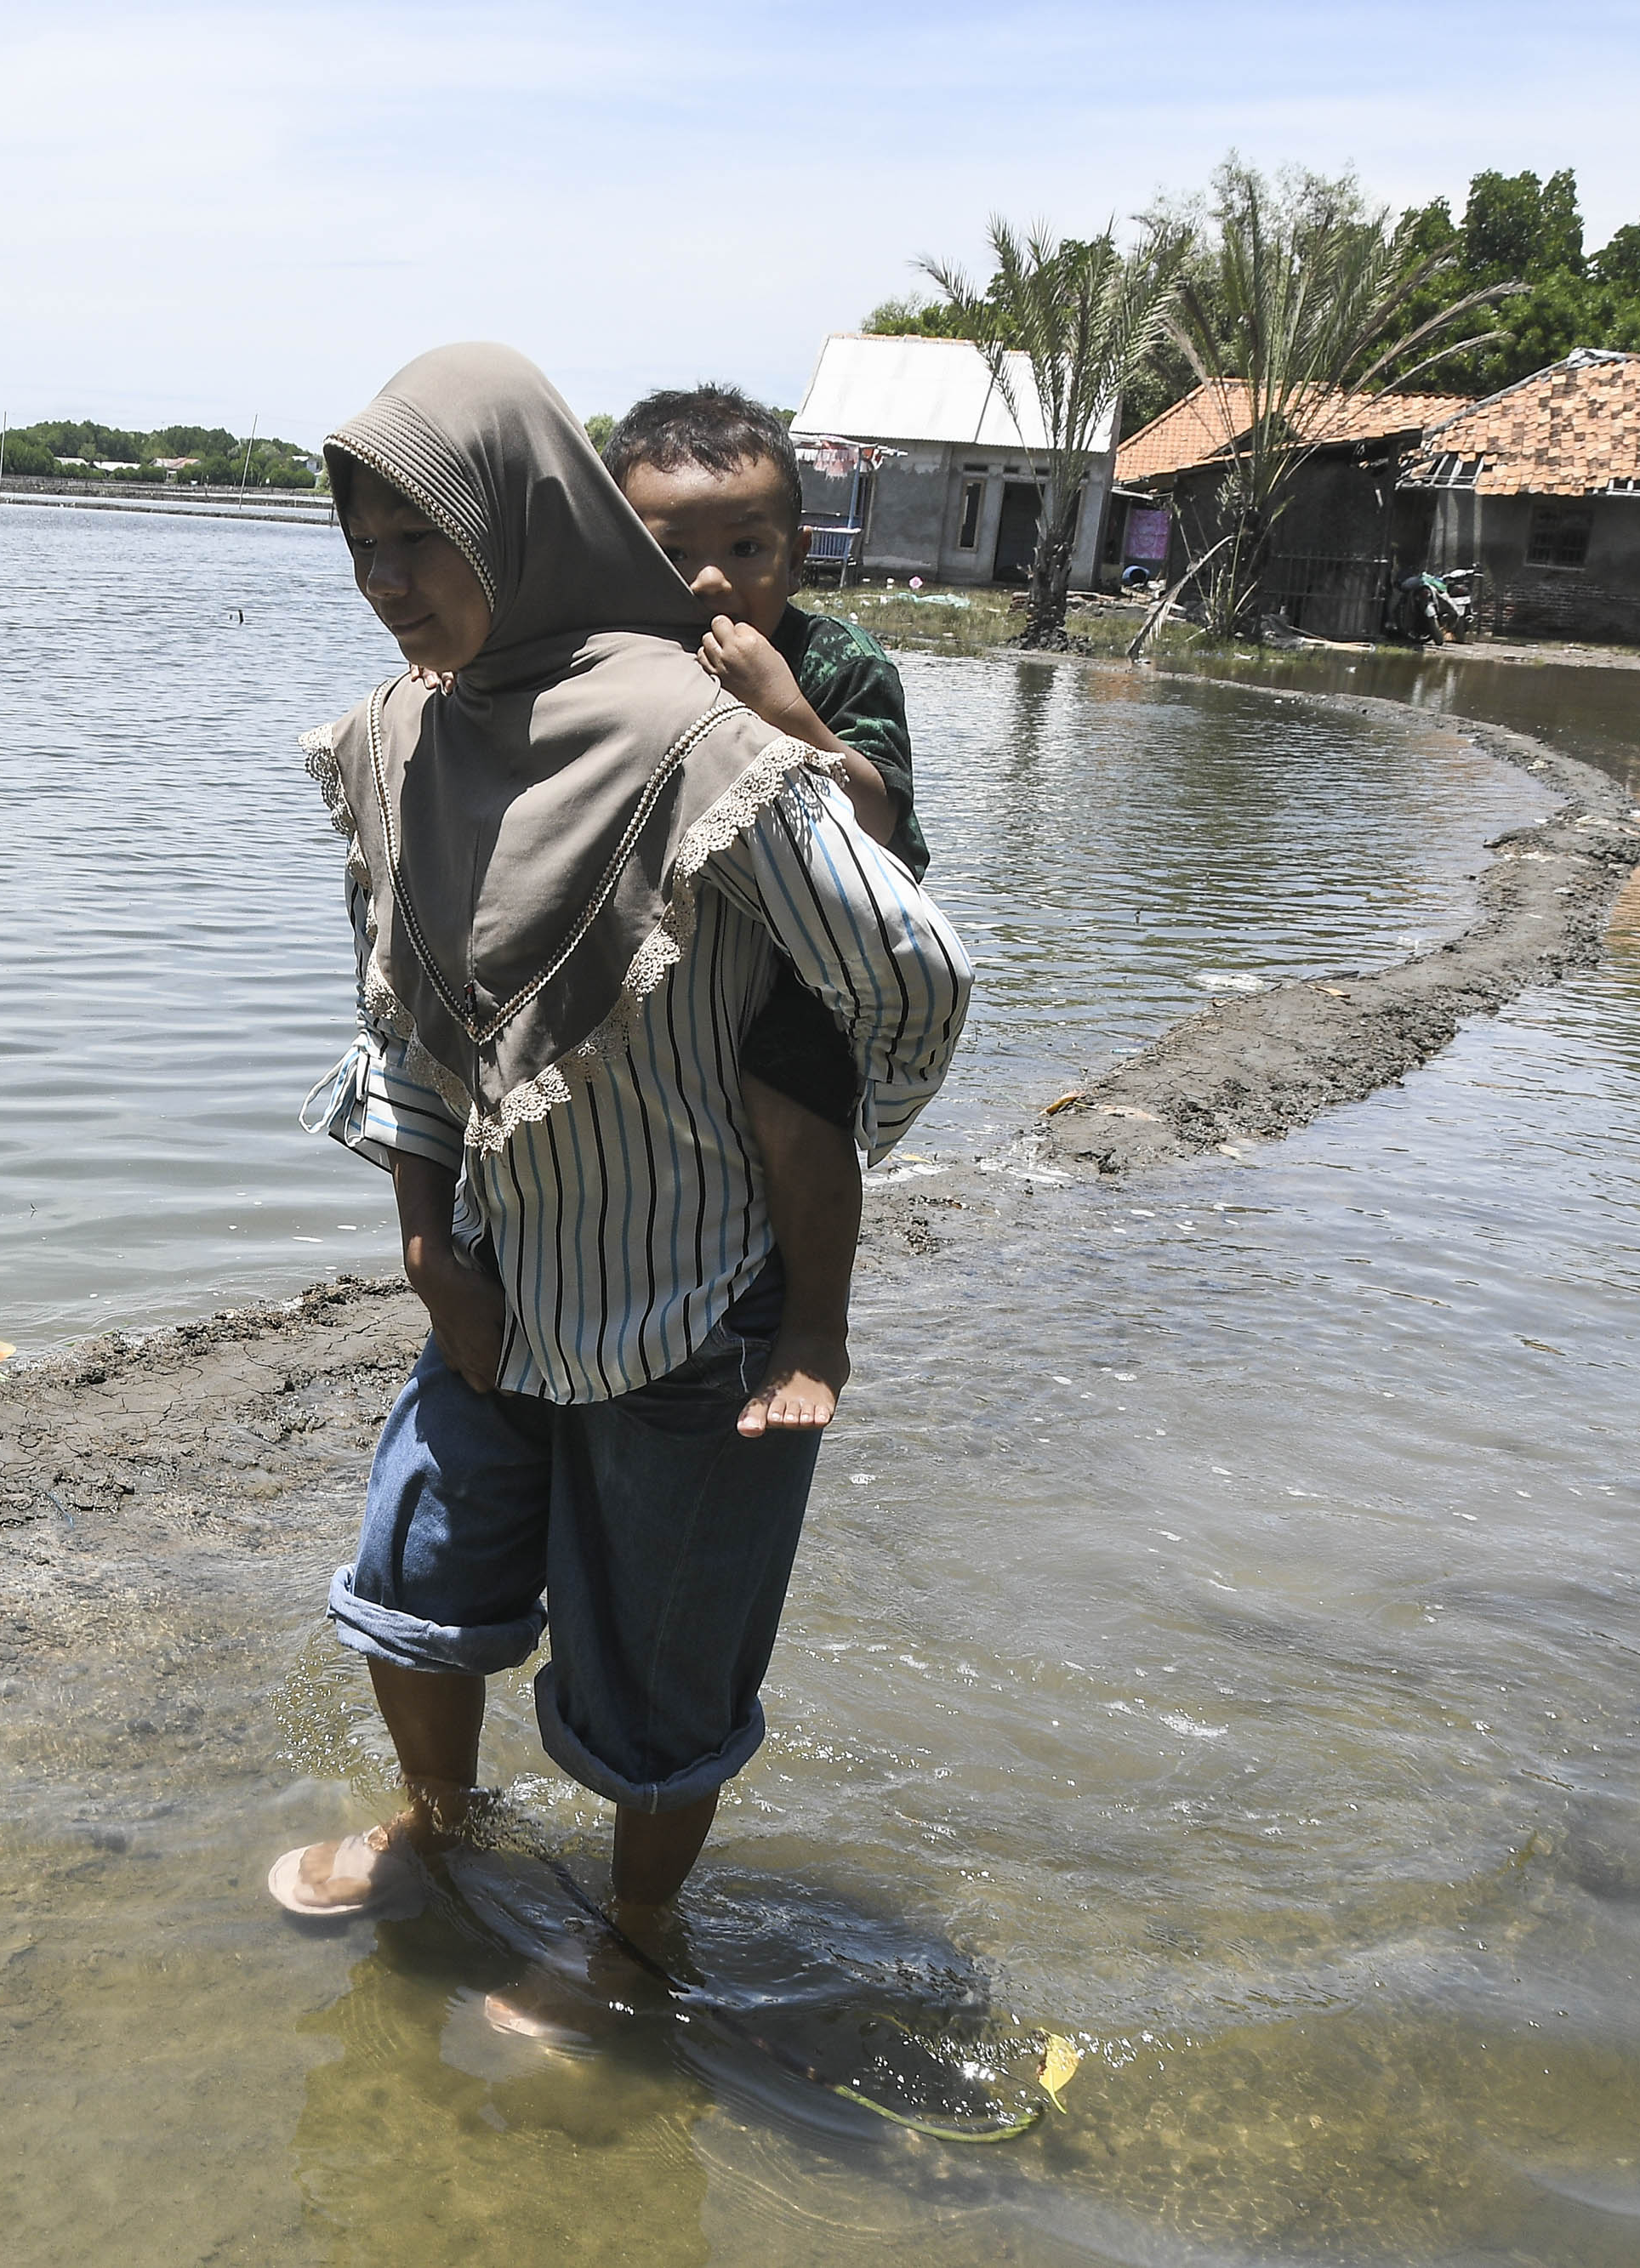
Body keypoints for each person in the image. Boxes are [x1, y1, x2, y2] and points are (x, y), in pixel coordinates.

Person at [274, 344, 971, 2026]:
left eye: (420, 541)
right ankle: (438, 1829)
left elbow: (907, 963)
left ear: (519, 523)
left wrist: (792, 1123)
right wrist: (429, 1235)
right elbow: (394, 1013)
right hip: (496, 1282)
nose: (387, 587)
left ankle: (636, 1938)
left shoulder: (689, 732)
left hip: (687, 1300)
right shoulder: (395, 741)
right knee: (410, 1579)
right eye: (362, 547)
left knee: (660, 1672)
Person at [602, 386, 929, 1438]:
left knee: (785, 1090)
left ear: (793, 555)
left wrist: (781, 708)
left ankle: (814, 1329)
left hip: (820, 935)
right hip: (682, 920)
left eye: (745, 546)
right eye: (670, 553)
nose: (709, 580)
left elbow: (876, 823)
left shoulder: (836, 664)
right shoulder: (617, 650)